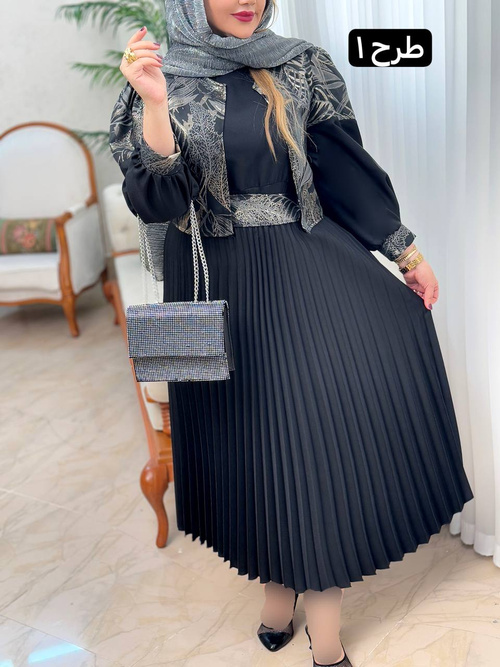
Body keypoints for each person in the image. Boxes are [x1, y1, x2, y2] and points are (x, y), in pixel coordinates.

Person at [109, 1, 474, 665]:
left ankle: (324, 627)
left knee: (309, 444)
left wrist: (406, 252)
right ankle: (276, 592)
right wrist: (156, 102)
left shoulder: (299, 65)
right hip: (205, 283)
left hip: (299, 272)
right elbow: (157, 201)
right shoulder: (156, 77)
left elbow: (344, 173)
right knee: (243, 448)